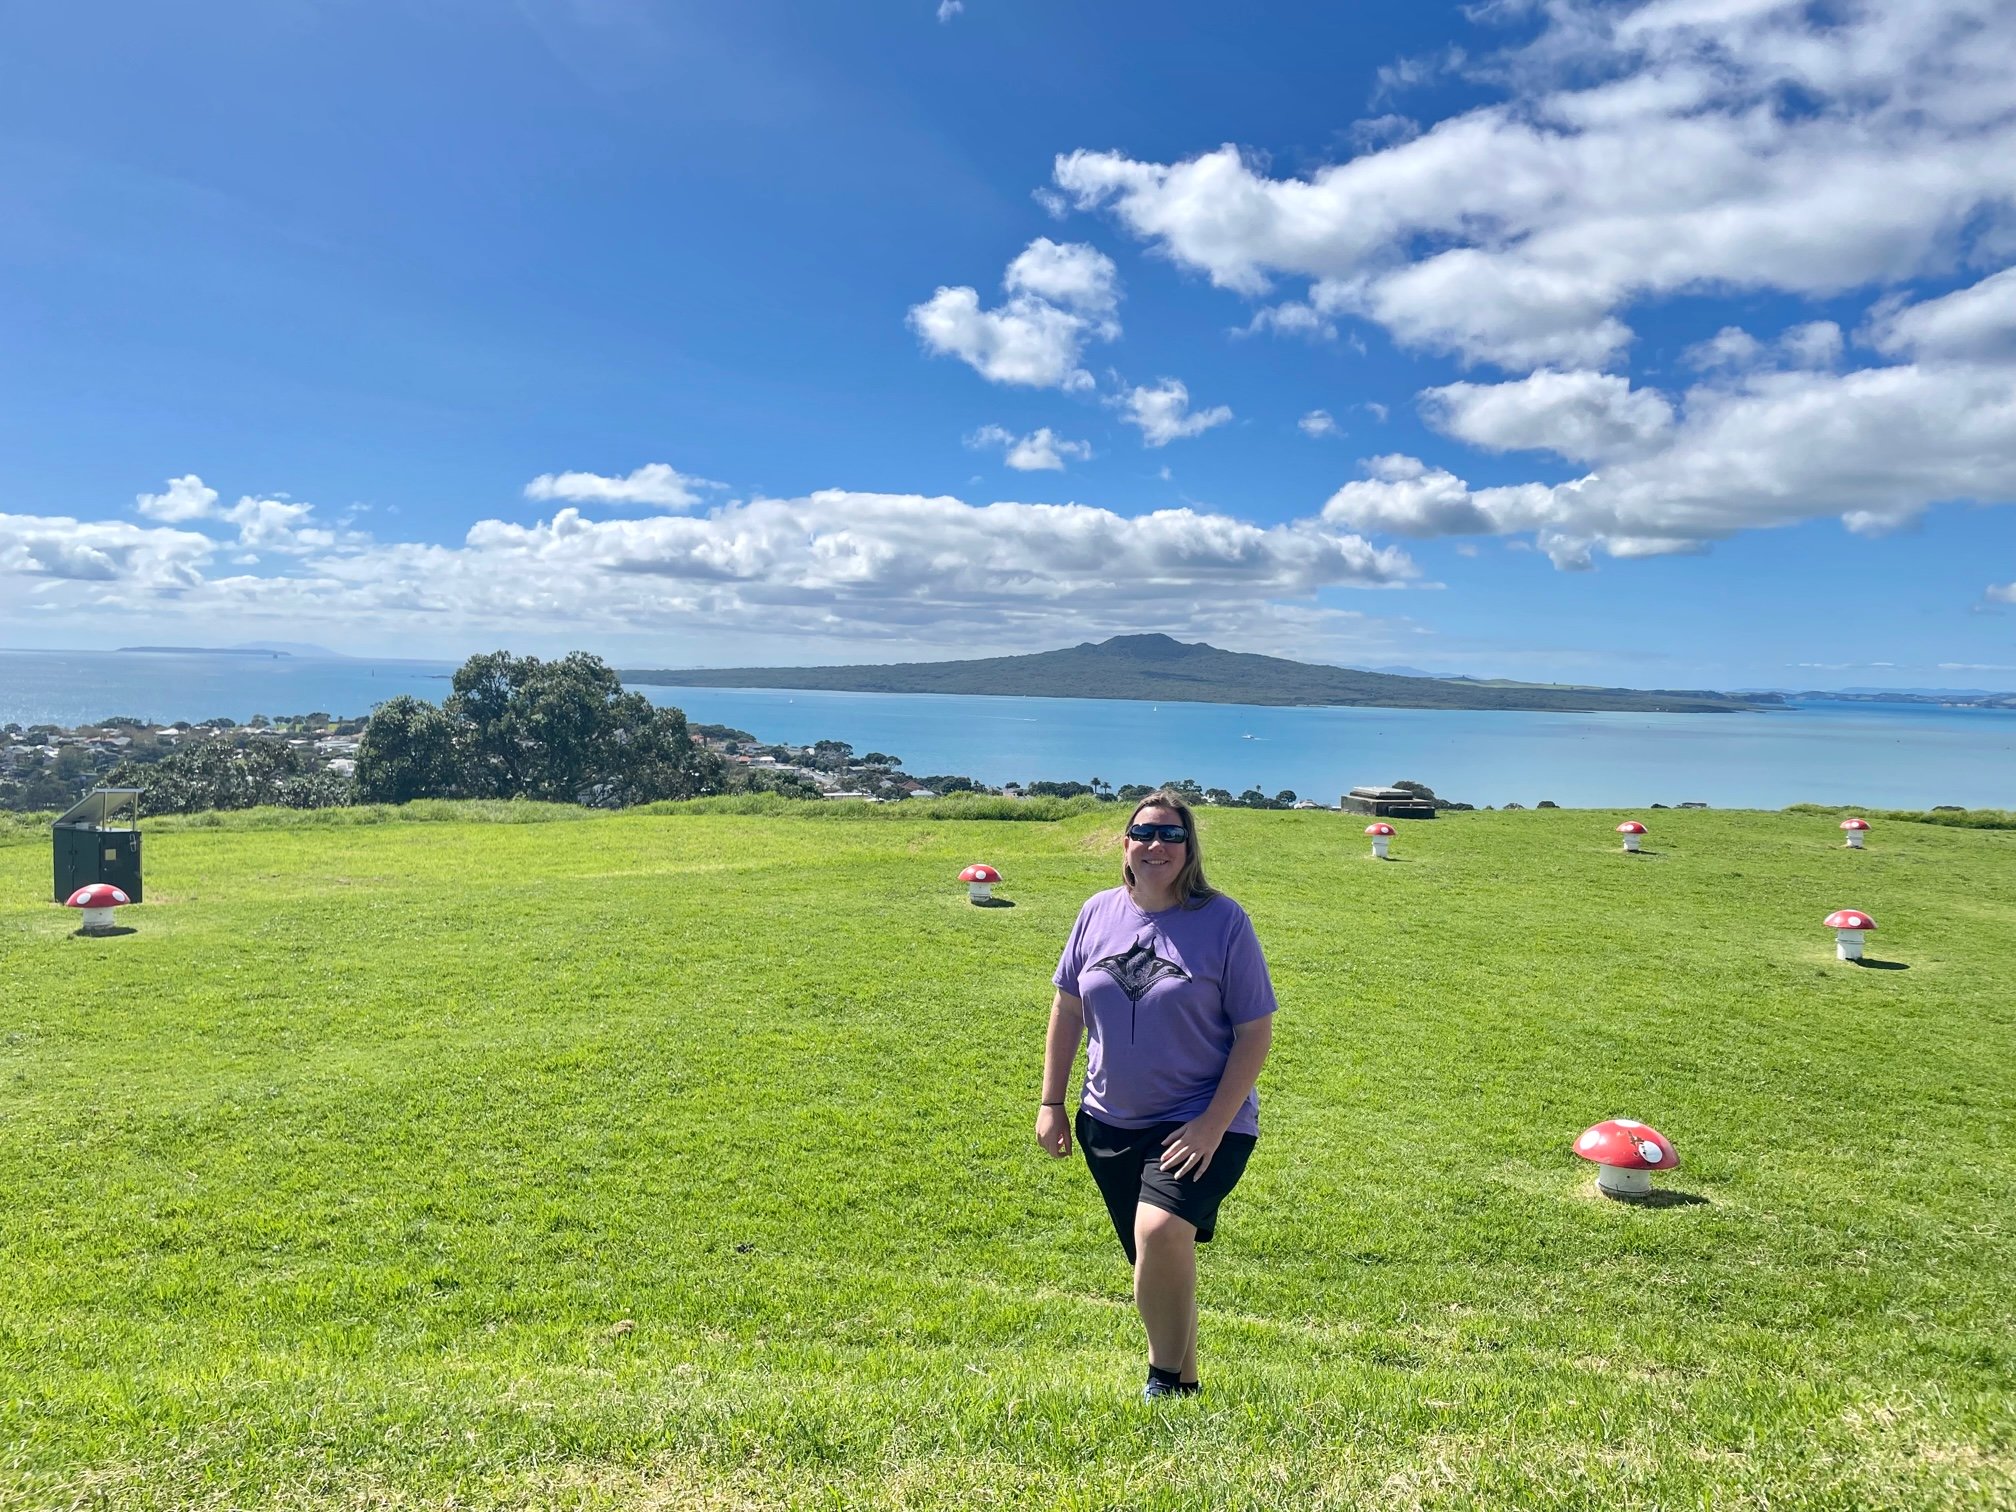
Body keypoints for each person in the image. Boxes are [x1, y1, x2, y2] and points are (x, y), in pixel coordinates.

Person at [1036, 789, 1278, 1400]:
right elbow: (1067, 1006)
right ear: (1125, 845)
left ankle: (1163, 1380)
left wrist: (1212, 1125)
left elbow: (1255, 1031)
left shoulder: (1224, 921)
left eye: (1172, 835)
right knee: (1161, 1262)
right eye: (1144, 833)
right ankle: (1189, 1384)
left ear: (1189, 849)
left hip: (1199, 1122)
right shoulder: (1096, 912)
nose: (1156, 845)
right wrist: (1051, 1101)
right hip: (1108, 1122)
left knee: (1160, 1234)